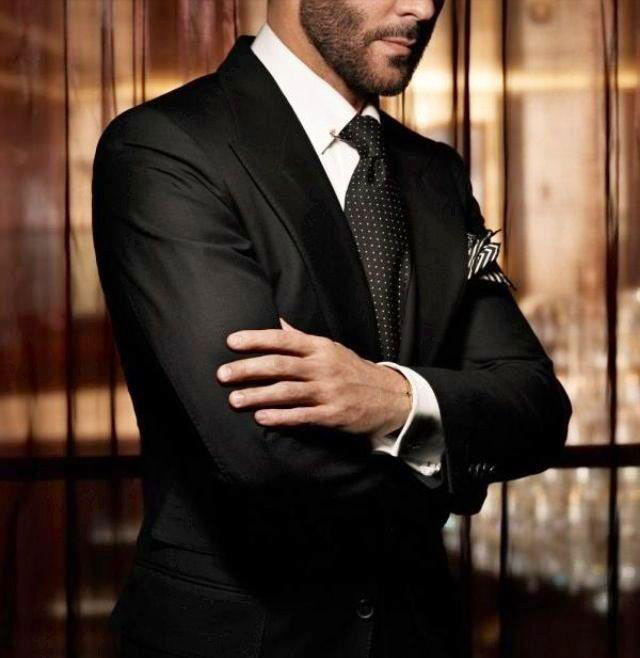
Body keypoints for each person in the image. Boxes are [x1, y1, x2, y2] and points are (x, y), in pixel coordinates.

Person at [92, 1, 572, 656]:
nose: (422, 7)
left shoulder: (436, 173)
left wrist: (393, 402)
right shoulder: (165, 147)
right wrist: (449, 452)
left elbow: (538, 409)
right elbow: (259, 456)